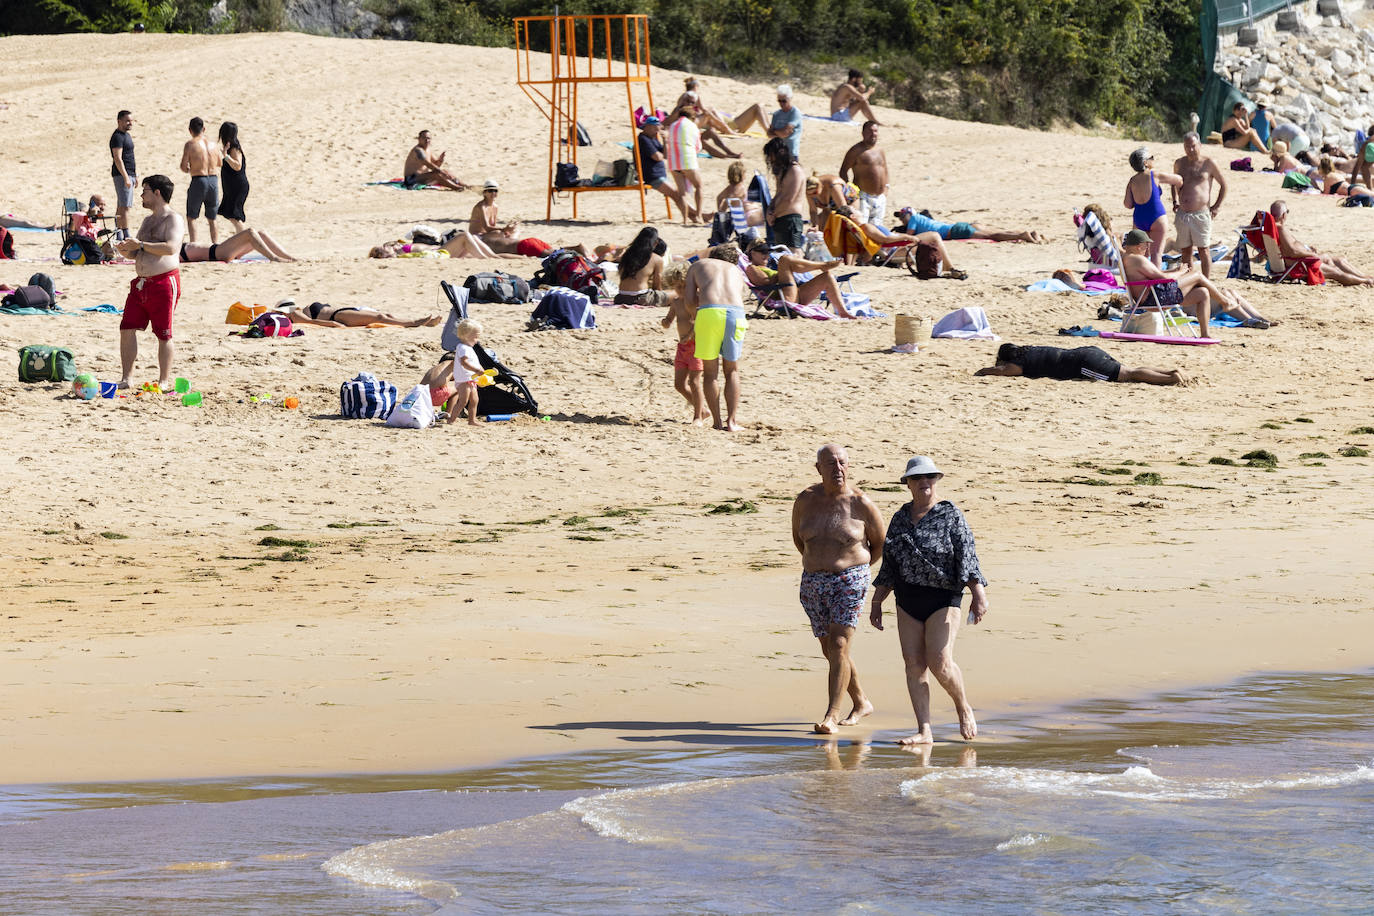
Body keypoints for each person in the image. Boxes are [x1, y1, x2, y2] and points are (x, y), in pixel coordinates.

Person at [869, 455, 987, 744]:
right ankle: (924, 731)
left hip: (944, 596)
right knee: (913, 665)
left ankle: (963, 707)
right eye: (917, 478)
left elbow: (967, 554)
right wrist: (876, 602)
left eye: (929, 477)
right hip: (907, 597)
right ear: (908, 484)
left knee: (939, 662)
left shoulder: (950, 515)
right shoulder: (899, 518)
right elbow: (890, 564)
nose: (924, 482)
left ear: (936, 481)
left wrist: (978, 593)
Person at [792, 444, 885, 735]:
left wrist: (854, 569)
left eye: (842, 463)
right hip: (813, 581)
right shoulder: (805, 500)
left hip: (850, 579)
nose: (838, 469)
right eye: (830, 464)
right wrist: (818, 563)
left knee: (840, 645)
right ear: (818, 468)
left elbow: (879, 544)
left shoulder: (862, 504)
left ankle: (831, 715)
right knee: (830, 650)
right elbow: (799, 539)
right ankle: (860, 701)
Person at [1121, 227, 1275, 332]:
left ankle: (1205, 334)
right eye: (1145, 245)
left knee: (1202, 292)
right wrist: (1180, 273)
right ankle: (1225, 302)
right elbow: (1161, 278)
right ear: (1137, 246)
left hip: (1153, 296)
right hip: (1154, 299)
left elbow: (1155, 275)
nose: (1147, 249)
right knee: (1198, 275)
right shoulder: (1137, 259)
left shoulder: (1130, 258)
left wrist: (1175, 270)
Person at [113, 175, 185, 390]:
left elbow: (171, 248)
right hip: (141, 283)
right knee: (126, 328)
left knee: (164, 333)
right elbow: (138, 252)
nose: (141, 195)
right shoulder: (147, 220)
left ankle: (163, 380)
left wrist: (141, 245)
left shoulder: (173, 219)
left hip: (164, 283)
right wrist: (125, 251)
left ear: (157, 193)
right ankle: (127, 378)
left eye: (144, 190)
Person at [683, 244, 748, 431]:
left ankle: (717, 422)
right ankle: (732, 422)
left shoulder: (698, 265)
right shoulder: (736, 270)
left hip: (709, 312)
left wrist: (695, 317)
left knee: (710, 373)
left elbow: (689, 300)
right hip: (736, 313)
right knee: (732, 370)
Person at [743, 238, 855, 318]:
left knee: (827, 276)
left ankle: (843, 312)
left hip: (795, 293)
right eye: (763, 252)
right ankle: (822, 265)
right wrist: (784, 272)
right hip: (785, 298)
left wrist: (786, 271)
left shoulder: (767, 267)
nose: (766, 255)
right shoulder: (751, 268)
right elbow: (765, 283)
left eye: (768, 252)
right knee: (784, 260)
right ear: (752, 253)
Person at [1270, 200, 1374, 286]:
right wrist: (1311, 254)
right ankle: (1365, 281)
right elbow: (1293, 251)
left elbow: (1289, 248)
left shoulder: (1273, 228)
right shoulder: (1280, 229)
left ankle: (1364, 277)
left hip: (1298, 262)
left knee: (1339, 260)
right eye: (1287, 211)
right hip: (1300, 265)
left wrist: (1306, 248)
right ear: (1283, 215)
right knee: (1337, 272)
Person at [975, 343, 1187, 385]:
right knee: (1129, 369)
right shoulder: (1030, 350)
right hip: (1087, 352)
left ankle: (1170, 379)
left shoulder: (1018, 363)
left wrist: (983, 371)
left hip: (1084, 363)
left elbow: (1003, 371)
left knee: (1128, 376)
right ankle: (1170, 372)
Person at [1170, 131, 1227, 279]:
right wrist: (1175, 201)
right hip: (1183, 214)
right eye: (1187, 146)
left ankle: (1206, 281)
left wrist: (1216, 206)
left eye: (1193, 146)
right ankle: (1189, 279)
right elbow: (1173, 182)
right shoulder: (1179, 163)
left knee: (1204, 250)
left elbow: (1224, 185)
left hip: (1200, 214)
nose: (1190, 149)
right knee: (1185, 251)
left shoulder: (1208, 163)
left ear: (1200, 145)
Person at [658, 262, 705, 424]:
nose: (681, 290)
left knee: (694, 381)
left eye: (684, 286)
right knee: (679, 384)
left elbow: (700, 322)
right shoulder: (677, 302)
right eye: (677, 287)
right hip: (682, 347)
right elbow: (670, 319)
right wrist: (665, 322)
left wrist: (691, 335)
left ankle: (697, 416)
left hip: (696, 346)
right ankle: (702, 410)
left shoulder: (697, 301)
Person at [1124, 146, 1182, 266]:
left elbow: (1128, 204)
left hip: (1139, 219)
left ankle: (1145, 281)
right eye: (1151, 158)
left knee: (1142, 255)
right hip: (1156, 216)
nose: (1153, 159)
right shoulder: (1154, 175)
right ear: (1145, 162)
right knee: (1156, 254)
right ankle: (1156, 283)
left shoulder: (1132, 181)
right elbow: (1178, 180)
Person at [895, 207, 1046, 244]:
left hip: (955, 230)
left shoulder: (914, 218)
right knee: (997, 231)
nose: (902, 219)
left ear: (909, 213)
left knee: (992, 236)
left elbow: (911, 236)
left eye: (902, 216)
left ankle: (1022, 235)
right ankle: (1031, 234)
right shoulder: (921, 218)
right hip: (958, 226)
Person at [179, 117, 222, 245]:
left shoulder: (190, 144)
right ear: (204, 129)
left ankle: (194, 243)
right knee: (212, 217)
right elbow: (219, 163)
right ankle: (215, 244)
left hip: (199, 179)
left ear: (190, 130)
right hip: (213, 180)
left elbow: (183, 166)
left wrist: (190, 169)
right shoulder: (214, 145)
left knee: (192, 216)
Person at [636, 117, 689, 220]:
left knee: (677, 195)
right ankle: (695, 216)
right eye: (655, 128)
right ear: (647, 127)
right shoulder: (643, 139)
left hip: (659, 174)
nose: (657, 130)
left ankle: (694, 216)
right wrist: (661, 155)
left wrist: (665, 140)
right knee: (677, 194)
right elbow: (658, 157)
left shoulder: (653, 138)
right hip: (652, 175)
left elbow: (665, 155)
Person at [838, 121, 889, 226]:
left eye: (875, 131)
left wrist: (886, 188)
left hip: (880, 197)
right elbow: (843, 171)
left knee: (877, 230)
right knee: (862, 228)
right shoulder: (856, 150)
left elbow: (885, 169)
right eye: (870, 131)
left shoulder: (880, 150)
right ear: (863, 133)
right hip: (863, 196)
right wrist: (850, 191)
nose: (873, 134)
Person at [764, 137, 807, 253]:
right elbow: (778, 194)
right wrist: (770, 211)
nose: (771, 160)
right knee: (782, 255)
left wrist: (774, 214)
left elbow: (789, 199)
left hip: (791, 219)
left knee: (794, 252)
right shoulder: (783, 171)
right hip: (780, 219)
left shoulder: (795, 170)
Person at [665, 106, 705, 224]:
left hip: (673, 161)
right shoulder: (692, 126)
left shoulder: (672, 126)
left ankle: (684, 219)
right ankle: (698, 215)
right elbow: (698, 146)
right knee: (699, 186)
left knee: (681, 193)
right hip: (687, 160)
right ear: (692, 117)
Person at [369, 230, 519, 260]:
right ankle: (491, 257)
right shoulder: (400, 254)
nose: (388, 247)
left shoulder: (400, 248)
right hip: (441, 251)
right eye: (384, 248)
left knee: (493, 255)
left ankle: (522, 258)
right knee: (463, 236)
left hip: (441, 251)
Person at [615, 226, 670, 306]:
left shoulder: (627, 254)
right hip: (640, 298)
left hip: (620, 297)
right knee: (675, 294)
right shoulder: (656, 259)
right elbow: (657, 286)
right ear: (655, 243)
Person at [445, 318, 485, 426]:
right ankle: (451, 420)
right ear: (467, 335)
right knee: (463, 401)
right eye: (475, 336)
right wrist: (476, 370)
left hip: (471, 379)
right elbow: (464, 363)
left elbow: (473, 361)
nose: (477, 340)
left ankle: (472, 420)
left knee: (474, 400)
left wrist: (480, 368)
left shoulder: (468, 348)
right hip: (464, 379)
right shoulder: (463, 347)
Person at [283, 301, 442, 328]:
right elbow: (312, 323)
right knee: (380, 318)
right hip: (337, 316)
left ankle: (425, 323)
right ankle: (414, 322)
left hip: (343, 311)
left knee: (385, 314)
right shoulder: (296, 315)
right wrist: (332, 324)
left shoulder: (299, 310)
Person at [180, 227, 297, 263]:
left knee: (261, 233)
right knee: (250, 233)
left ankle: (291, 258)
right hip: (218, 253)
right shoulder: (175, 251)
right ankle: (274, 258)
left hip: (220, 250)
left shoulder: (175, 246)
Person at [403, 130, 468, 190]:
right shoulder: (418, 150)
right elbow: (429, 165)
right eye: (424, 138)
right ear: (419, 139)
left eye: (429, 138)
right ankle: (457, 188)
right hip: (411, 179)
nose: (427, 140)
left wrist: (440, 160)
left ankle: (464, 185)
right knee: (437, 174)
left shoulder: (428, 149)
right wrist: (442, 172)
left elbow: (436, 165)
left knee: (446, 171)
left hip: (424, 176)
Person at [218, 121, 249, 233]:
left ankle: (245, 238)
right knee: (232, 215)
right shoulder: (230, 147)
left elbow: (238, 166)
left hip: (237, 187)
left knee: (234, 215)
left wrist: (226, 156)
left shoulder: (234, 148)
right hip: (233, 187)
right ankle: (242, 238)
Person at [109, 110, 137, 235]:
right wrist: (126, 177)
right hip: (121, 174)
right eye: (127, 121)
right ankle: (125, 233)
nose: (130, 123)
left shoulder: (126, 136)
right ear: (119, 121)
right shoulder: (117, 137)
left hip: (129, 173)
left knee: (122, 205)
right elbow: (117, 158)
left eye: (131, 121)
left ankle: (119, 232)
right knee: (125, 206)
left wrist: (134, 175)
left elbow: (130, 156)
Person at [717, 160, 766, 227]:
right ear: (742, 175)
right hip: (750, 216)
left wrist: (721, 214)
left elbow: (719, 198)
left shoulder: (728, 190)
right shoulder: (741, 189)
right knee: (768, 210)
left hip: (740, 218)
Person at [769, 85, 804, 160]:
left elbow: (785, 133)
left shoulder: (795, 113)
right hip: (777, 153)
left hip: (791, 153)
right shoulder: (776, 114)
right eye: (779, 101)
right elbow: (769, 134)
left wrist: (775, 132)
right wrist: (779, 132)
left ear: (790, 99)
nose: (781, 103)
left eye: (784, 101)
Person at [1352, 124, 1374, 189]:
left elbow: (1357, 166)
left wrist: (1352, 184)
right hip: (1370, 147)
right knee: (1364, 167)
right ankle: (1370, 188)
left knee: (1364, 167)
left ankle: (1370, 188)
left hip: (1368, 147)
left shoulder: (1366, 143)